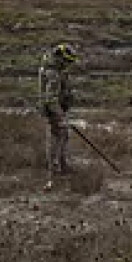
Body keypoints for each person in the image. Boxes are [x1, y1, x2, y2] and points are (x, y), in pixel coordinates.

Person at [38, 42, 79, 180]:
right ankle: (55, 168)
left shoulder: (55, 68)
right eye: (67, 61)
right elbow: (51, 98)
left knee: (63, 135)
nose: (68, 65)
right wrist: (60, 115)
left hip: (58, 108)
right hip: (54, 110)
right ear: (61, 58)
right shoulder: (53, 73)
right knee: (57, 137)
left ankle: (60, 164)